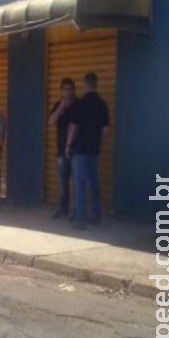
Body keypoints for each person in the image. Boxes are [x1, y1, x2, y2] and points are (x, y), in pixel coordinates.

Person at [66, 72, 109, 229]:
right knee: (94, 183)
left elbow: (73, 127)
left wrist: (68, 145)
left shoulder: (80, 104)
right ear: (96, 84)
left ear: (85, 85)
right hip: (93, 150)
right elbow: (105, 130)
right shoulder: (102, 105)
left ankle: (80, 220)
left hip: (80, 149)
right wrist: (98, 143)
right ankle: (96, 216)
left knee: (80, 184)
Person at [48, 77, 76, 219]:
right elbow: (51, 121)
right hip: (60, 150)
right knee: (62, 181)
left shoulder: (78, 105)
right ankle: (63, 208)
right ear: (61, 91)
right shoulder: (59, 104)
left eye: (70, 89)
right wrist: (60, 108)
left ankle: (74, 210)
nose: (68, 92)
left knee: (75, 182)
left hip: (76, 150)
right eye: (65, 90)